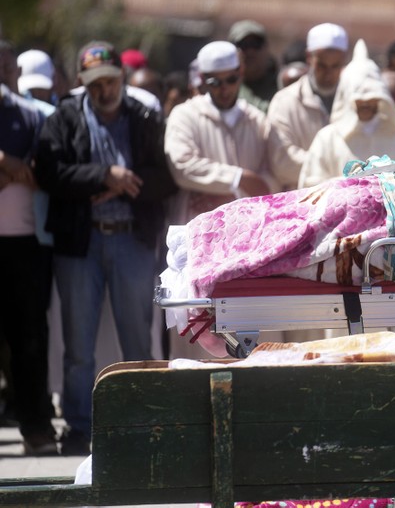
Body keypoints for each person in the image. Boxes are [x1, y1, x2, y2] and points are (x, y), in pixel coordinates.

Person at [34, 41, 175, 455]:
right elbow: (48, 171)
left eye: (111, 81)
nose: (105, 90)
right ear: (82, 83)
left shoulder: (146, 118)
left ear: (123, 80)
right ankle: (79, 427)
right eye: (96, 83)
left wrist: (127, 183)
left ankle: (143, 422)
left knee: (137, 340)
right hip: (82, 242)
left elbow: (167, 177)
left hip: (131, 238)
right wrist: (102, 176)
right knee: (78, 345)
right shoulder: (64, 117)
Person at [0, 73, 57, 455]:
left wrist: (18, 169)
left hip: (26, 245)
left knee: (30, 338)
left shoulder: (32, 114)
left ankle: (36, 427)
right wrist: (6, 162)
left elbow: (48, 170)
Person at [165, 40, 277, 225]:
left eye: (231, 80)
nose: (224, 89)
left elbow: (270, 175)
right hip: (200, 225)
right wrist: (237, 179)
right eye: (215, 82)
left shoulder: (256, 120)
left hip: (247, 225)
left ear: (240, 73)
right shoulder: (185, 115)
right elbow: (182, 165)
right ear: (202, 78)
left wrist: (231, 194)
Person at [298, 40, 395, 189]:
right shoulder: (328, 138)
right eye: (360, 100)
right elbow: (311, 186)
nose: (366, 104)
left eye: (372, 98)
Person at [267, 23, 348, 190]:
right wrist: (339, 168)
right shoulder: (286, 101)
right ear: (309, 58)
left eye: (335, 66)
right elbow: (283, 162)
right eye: (322, 65)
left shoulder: (355, 100)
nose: (328, 74)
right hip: (302, 202)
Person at [228, 19, 279, 113]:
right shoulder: (226, 88)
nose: (250, 52)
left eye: (256, 44)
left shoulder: (281, 85)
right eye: (243, 45)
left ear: (266, 47)